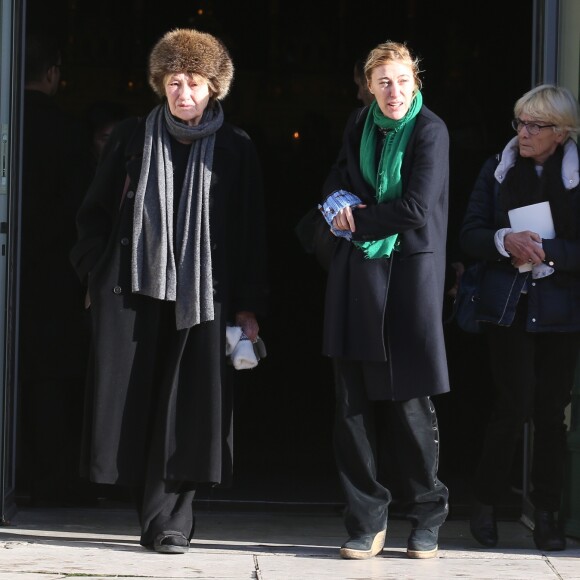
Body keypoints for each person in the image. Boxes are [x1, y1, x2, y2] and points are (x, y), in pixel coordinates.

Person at [69, 28, 268, 554]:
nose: (184, 92)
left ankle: (172, 520)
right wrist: (94, 270)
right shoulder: (132, 136)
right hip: (133, 291)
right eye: (175, 81)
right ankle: (154, 515)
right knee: (139, 402)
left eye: (196, 83)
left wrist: (249, 306)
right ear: (161, 83)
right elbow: (93, 212)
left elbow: (250, 232)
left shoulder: (236, 147)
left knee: (188, 407)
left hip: (204, 296)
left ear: (213, 89)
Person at [318, 40, 450, 560]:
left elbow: (417, 207)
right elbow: (336, 177)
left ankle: (427, 514)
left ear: (416, 81)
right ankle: (366, 519)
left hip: (408, 275)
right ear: (368, 86)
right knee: (350, 402)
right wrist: (336, 202)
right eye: (383, 82)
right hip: (356, 275)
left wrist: (358, 220)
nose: (393, 92)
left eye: (402, 80)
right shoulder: (358, 125)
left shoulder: (430, 130)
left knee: (409, 400)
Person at [460, 84, 580, 552]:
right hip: (508, 306)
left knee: (552, 413)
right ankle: (486, 504)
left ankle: (548, 514)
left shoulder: (576, 177)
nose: (524, 133)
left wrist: (548, 250)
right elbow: (469, 233)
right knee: (511, 407)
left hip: (562, 312)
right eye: (520, 123)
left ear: (562, 132)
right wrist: (504, 240)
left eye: (536, 125)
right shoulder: (497, 169)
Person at [18, 29, 94, 505]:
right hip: (52, 271)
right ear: (52, 73)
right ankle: (47, 476)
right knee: (49, 376)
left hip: (19, 262)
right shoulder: (69, 132)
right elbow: (80, 210)